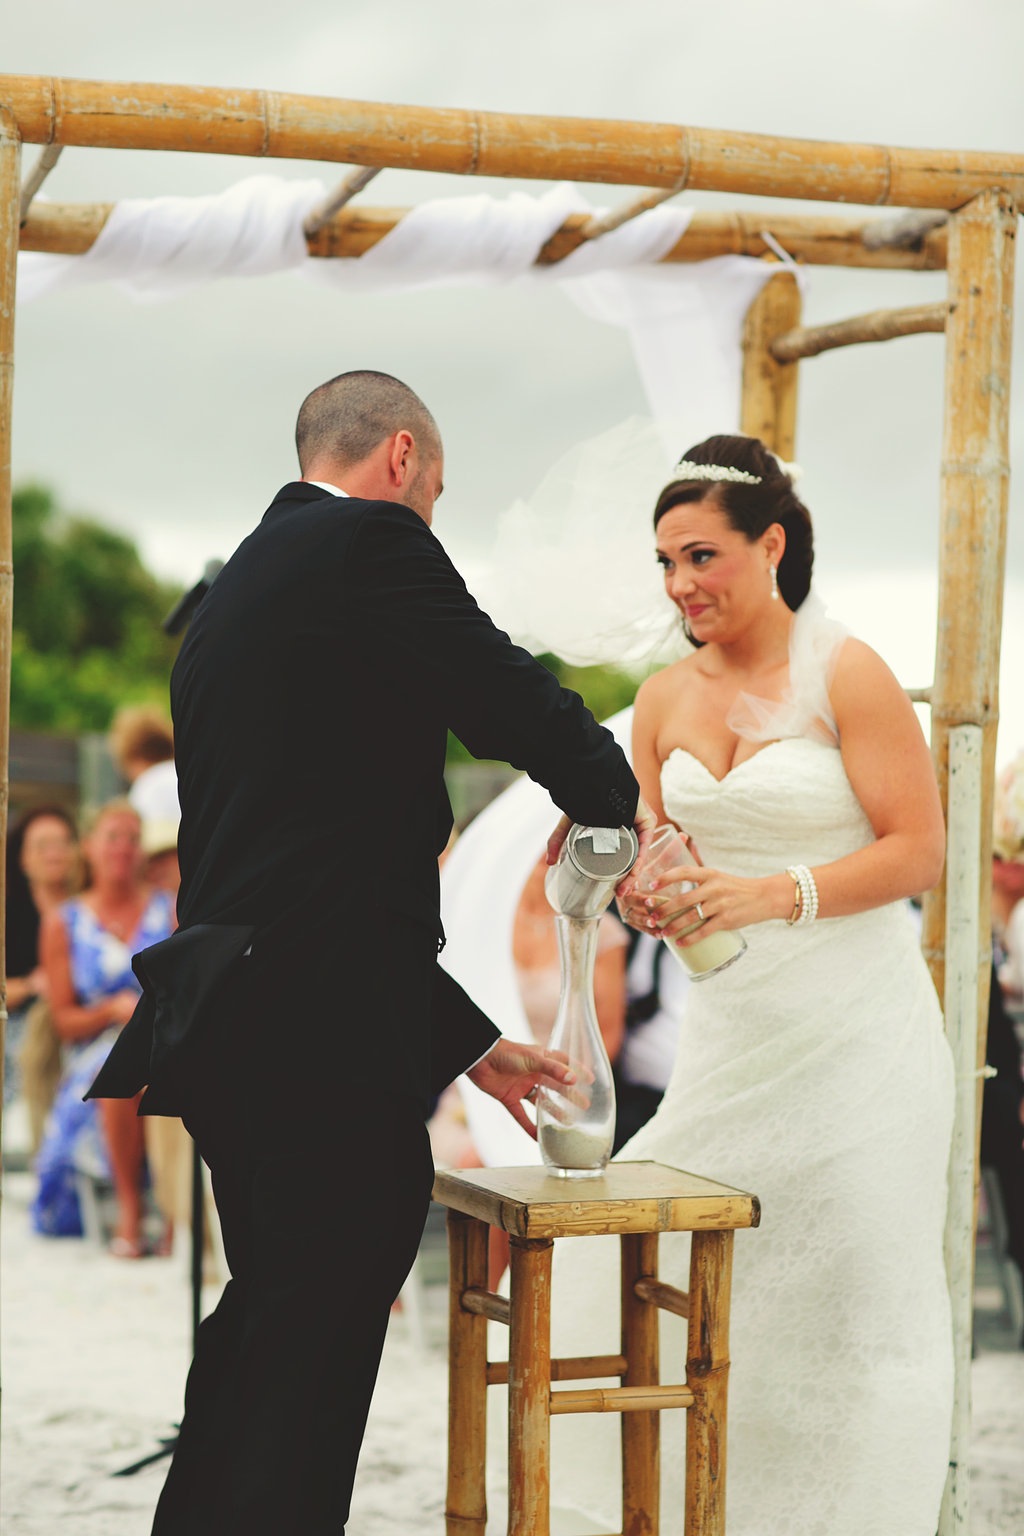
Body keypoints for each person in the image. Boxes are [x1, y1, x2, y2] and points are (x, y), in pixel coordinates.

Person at [87, 369, 649, 1536]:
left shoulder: (231, 595)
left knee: (271, 1329)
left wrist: (468, 1042)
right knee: (310, 1342)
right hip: (315, 1032)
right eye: (436, 494)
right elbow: (499, 689)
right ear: (400, 460)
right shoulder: (370, 546)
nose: (431, 518)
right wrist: (608, 795)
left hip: (243, 1015)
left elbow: (296, 866)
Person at [533, 435, 955, 1536]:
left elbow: (919, 853)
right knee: (689, 1283)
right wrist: (637, 890)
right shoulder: (662, 696)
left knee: (854, 1295)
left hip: (860, 1040)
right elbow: (650, 855)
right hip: (728, 1042)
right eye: (666, 562)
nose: (681, 585)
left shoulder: (847, 671)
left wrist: (769, 895)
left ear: (771, 544)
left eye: (704, 556)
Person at [33, 801, 175, 1253]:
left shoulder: (169, 910)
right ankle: (130, 1209)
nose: (123, 848)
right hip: (94, 1050)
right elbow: (63, 1020)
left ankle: (176, 1211)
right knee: (118, 1071)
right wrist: (111, 1012)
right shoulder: (64, 922)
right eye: (113, 837)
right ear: (89, 848)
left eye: (133, 839)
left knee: (164, 1069)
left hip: (162, 1037)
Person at [4, 805, 79, 1136]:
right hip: (25, 1033)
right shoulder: (9, 916)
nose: (55, 854)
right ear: (23, 859)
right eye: (43, 845)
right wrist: (33, 985)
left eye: (63, 843)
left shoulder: (90, 907)